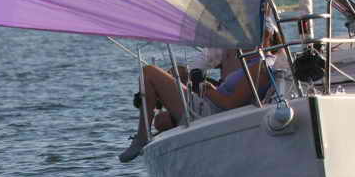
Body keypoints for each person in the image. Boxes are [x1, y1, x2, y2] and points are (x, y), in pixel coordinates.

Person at [118, 20, 279, 163]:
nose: (240, 42)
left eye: (247, 36)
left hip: (211, 113)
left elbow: (231, 104)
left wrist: (208, 90)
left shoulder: (261, 66)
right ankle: (152, 101)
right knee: (164, 112)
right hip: (212, 107)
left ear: (265, 37)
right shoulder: (255, 63)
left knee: (149, 72)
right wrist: (208, 87)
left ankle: (142, 136)